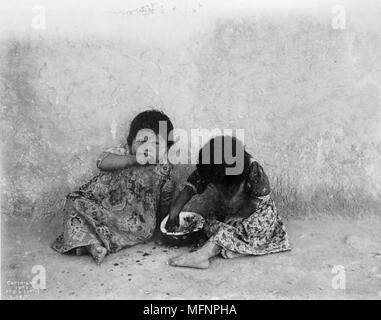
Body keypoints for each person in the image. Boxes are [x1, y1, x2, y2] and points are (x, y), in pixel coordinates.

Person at [52, 109, 175, 264]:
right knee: (73, 201)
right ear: (131, 142)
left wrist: (164, 226)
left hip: (134, 223)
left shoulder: (164, 167)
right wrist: (132, 160)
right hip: (102, 210)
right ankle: (93, 246)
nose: (147, 148)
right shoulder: (125, 152)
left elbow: (166, 199)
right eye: (142, 141)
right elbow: (102, 162)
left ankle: (92, 244)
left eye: (156, 143)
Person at [166, 135, 291, 269]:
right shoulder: (211, 165)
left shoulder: (253, 170)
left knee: (244, 230)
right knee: (209, 225)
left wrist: (240, 216)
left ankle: (202, 255)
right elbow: (189, 190)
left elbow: (256, 201)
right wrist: (174, 211)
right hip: (232, 214)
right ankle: (228, 246)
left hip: (256, 214)